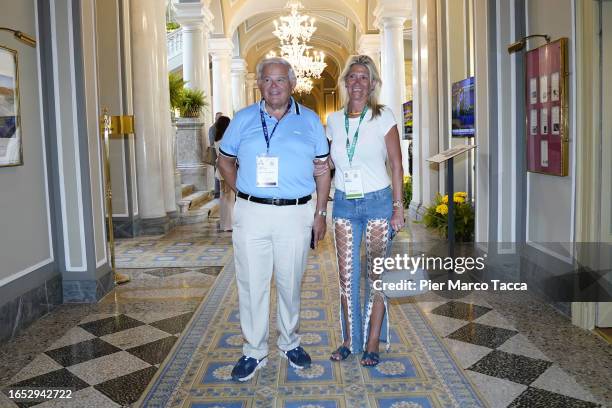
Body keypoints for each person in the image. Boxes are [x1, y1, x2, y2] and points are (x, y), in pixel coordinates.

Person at [217, 57, 331, 381]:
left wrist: (320, 213)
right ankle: (253, 351)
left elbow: (323, 172)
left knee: (290, 282)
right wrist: (244, 190)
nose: (274, 86)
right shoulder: (243, 119)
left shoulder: (309, 121)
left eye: (280, 80)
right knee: (251, 284)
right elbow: (224, 161)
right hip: (252, 213)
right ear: (259, 85)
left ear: (292, 84)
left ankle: (290, 342)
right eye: (267, 80)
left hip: (296, 213)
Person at [326, 55, 404, 367]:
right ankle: (349, 340)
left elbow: (397, 164)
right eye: (352, 77)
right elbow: (330, 162)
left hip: (378, 203)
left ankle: (372, 341)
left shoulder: (383, 116)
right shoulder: (333, 120)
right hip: (344, 202)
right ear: (345, 82)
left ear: (372, 84)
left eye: (364, 77)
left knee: (376, 277)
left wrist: (398, 207)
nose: (357, 83)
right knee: (346, 277)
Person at [213, 115, 233, 231]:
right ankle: (228, 224)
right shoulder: (227, 140)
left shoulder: (217, 139)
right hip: (227, 171)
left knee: (224, 197)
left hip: (220, 171)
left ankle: (224, 223)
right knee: (229, 197)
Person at [209, 112, 223, 198]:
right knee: (217, 173)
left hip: (221, 153)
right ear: (215, 118)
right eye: (218, 118)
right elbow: (212, 143)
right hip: (216, 153)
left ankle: (219, 191)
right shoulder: (212, 128)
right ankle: (217, 192)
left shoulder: (222, 128)